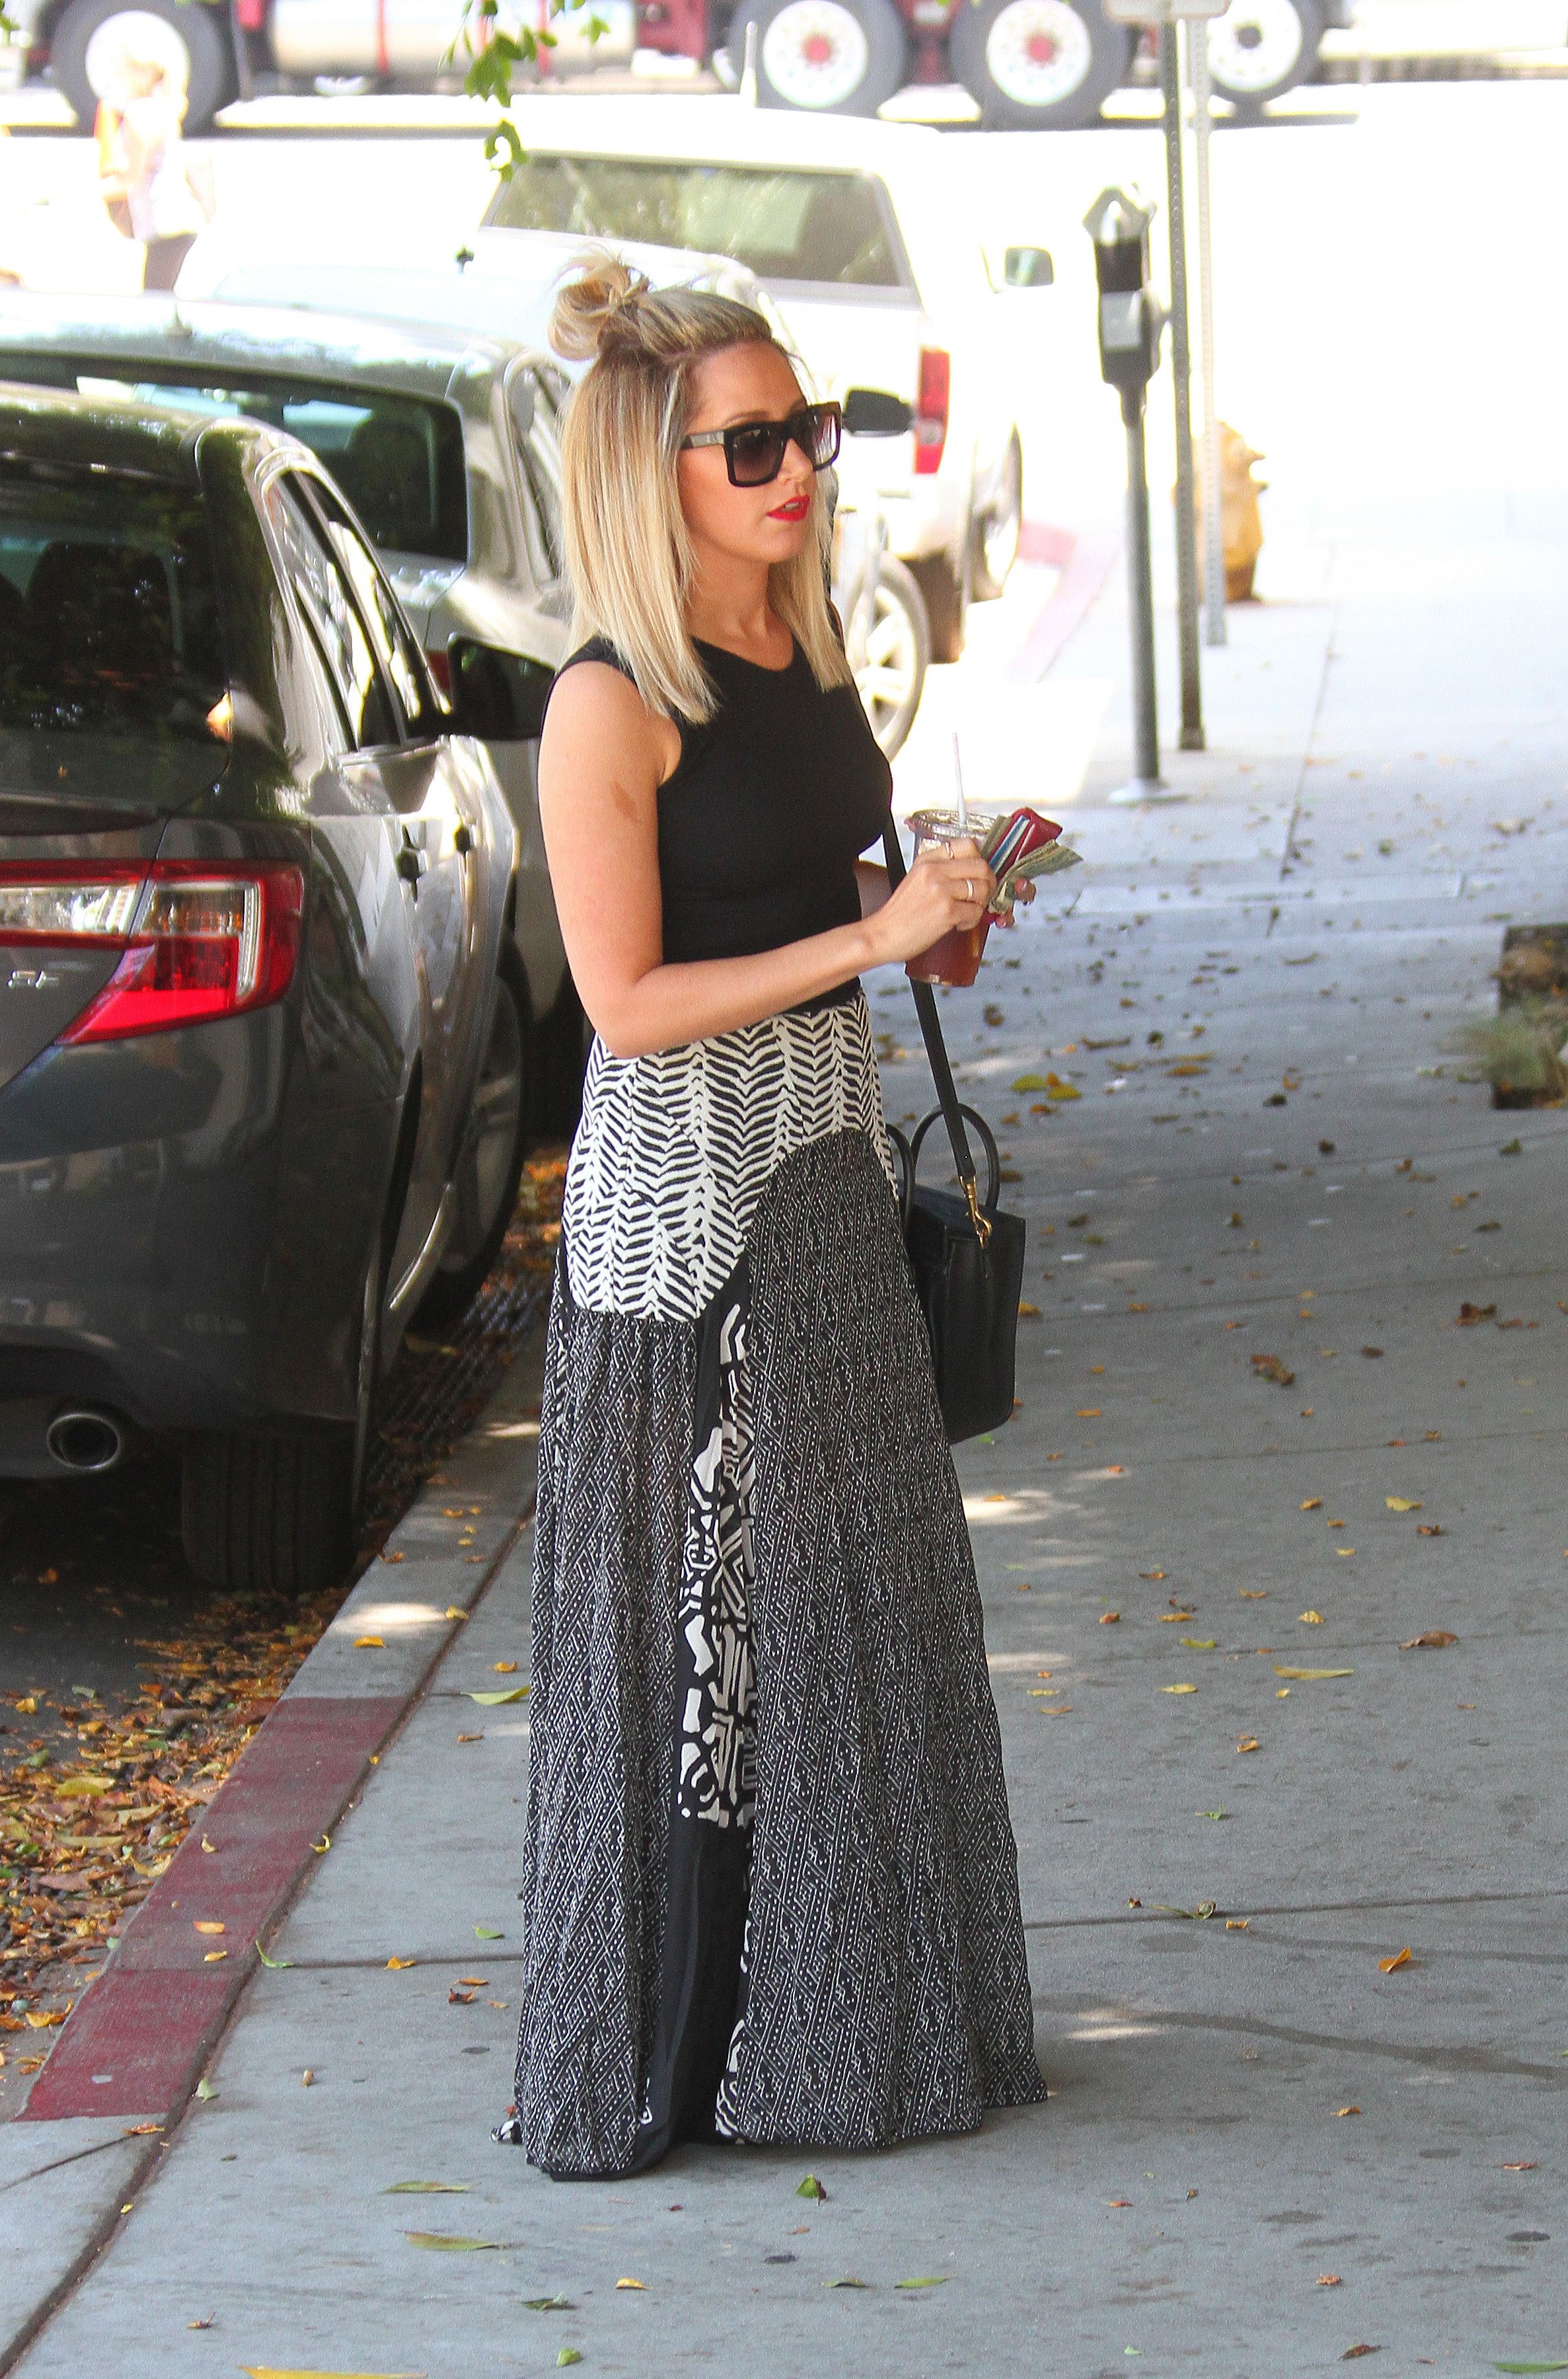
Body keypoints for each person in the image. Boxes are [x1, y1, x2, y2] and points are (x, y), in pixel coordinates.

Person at [509, 256, 1045, 2181]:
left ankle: (838, 2040)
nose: (796, 469)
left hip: (824, 1159)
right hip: (684, 1217)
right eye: (751, 443)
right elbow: (626, 1000)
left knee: (850, 1610)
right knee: (707, 1639)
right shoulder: (607, 701)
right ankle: (666, 2069)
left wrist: (944, 918)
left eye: (805, 430)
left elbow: (847, 927)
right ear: (654, 473)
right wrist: (860, 934)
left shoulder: (809, 649)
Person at [94, 42, 207, 292]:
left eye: (120, 72)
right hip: (177, 218)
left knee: (156, 300)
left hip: (165, 221)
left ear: (140, 75)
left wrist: (86, 193)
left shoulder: (139, 114)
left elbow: (132, 177)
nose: (117, 80)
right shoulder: (164, 106)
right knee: (161, 297)